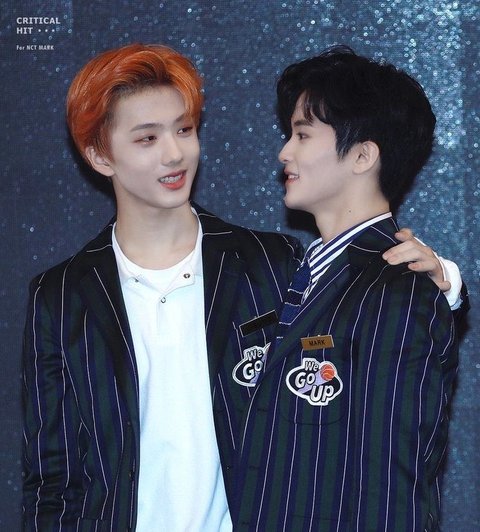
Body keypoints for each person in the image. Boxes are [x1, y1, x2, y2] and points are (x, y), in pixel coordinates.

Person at [21, 44, 463, 531]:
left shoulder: (271, 263)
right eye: (147, 138)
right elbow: (52, 476)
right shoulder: (61, 295)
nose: (174, 153)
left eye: (184, 130)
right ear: (100, 155)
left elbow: (372, 370)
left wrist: (443, 284)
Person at [231, 46, 464, 531]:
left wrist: (445, 291)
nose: (285, 152)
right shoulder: (292, 274)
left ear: (362, 155)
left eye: (302, 134)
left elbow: (390, 488)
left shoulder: (398, 288)